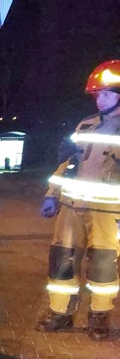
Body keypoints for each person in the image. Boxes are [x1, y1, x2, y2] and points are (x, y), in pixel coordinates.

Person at [37, 60, 120, 341]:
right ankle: (60, 313)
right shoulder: (85, 125)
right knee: (62, 259)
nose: (99, 99)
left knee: (103, 264)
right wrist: (52, 195)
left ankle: (99, 316)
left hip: (109, 211)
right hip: (72, 208)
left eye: (106, 94)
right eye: (97, 94)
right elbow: (68, 164)